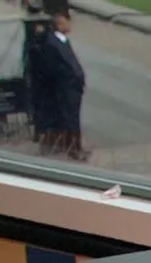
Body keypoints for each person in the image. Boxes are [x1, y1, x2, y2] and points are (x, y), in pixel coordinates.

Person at [28, 7, 86, 160]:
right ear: (60, 23)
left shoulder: (62, 41)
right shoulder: (52, 44)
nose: (70, 24)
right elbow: (55, 68)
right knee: (70, 119)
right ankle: (73, 149)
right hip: (66, 89)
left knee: (73, 118)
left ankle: (76, 147)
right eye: (67, 21)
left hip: (72, 88)